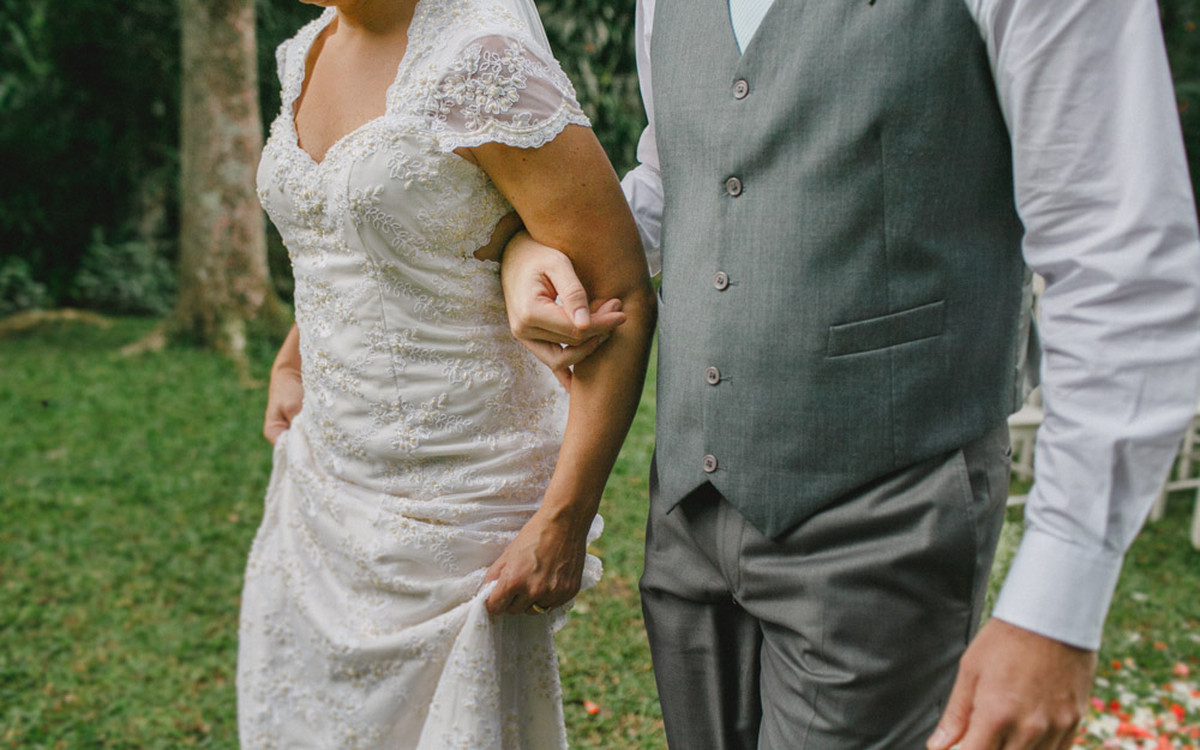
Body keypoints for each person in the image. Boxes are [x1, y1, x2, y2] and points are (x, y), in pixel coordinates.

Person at [500, 0, 1200, 747]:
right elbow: (677, 173)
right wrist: (541, 258)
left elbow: (1123, 265)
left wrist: (1058, 604)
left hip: (889, 518)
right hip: (687, 517)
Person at [237, 0, 654, 746]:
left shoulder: (482, 60)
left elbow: (619, 292)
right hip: (323, 480)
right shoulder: (305, 49)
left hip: (456, 502)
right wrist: (295, 354)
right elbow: (352, 232)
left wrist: (563, 518)